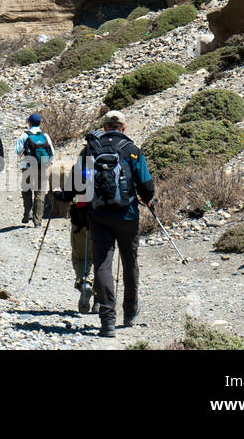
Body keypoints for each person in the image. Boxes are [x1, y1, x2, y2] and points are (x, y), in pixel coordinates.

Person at [81, 111, 155, 338]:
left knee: (103, 264)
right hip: (127, 214)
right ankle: (130, 311)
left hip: (100, 214)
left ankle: (107, 321)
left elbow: (80, 179)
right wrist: (147, 198)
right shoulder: (132, 150)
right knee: (129, 262)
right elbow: (147, 186)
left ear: (104, 127)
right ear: (123, 127)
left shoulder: (91, 149)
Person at [54, 142, 97, 314]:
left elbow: (67, 194)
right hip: (106, 221)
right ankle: (100, 300)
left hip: (81, 220)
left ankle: (84, 281)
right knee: (102, 260)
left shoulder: (81, 164)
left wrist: (58, 193)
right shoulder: (115, 160)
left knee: (80, 257)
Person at [14, 113, 56, 227]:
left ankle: (27, 213)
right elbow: (52, 152)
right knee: (40, 194)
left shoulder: (25, 135)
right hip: (42, 167)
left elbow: (17, 151)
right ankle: (38, 221)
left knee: (26, 191)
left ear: (29, 123)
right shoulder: (45, 135)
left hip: (28, 167)